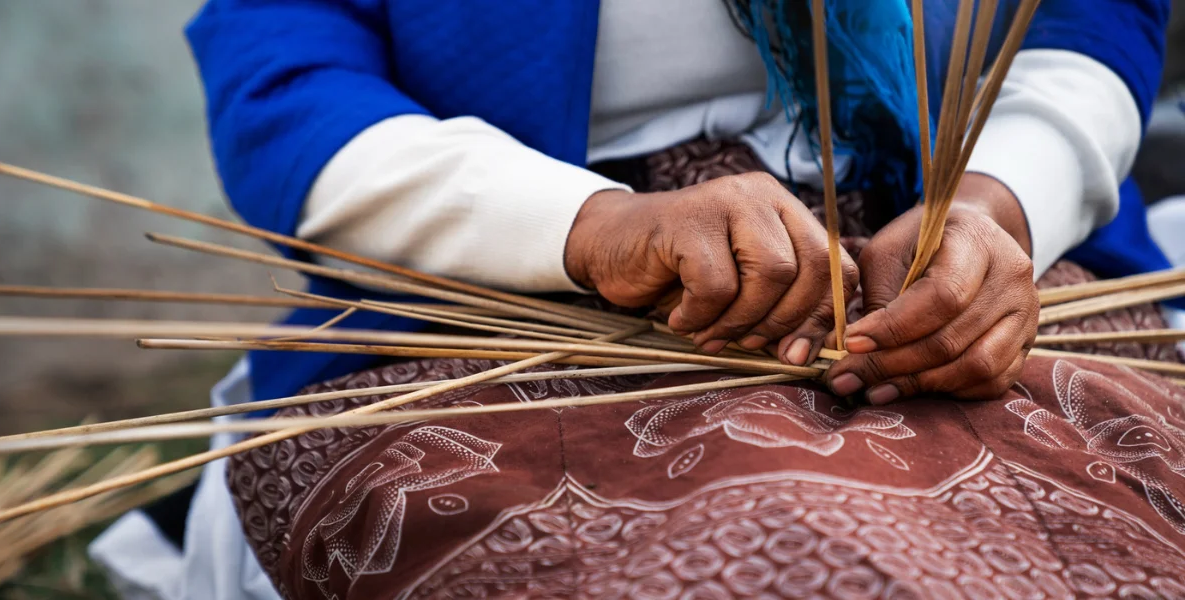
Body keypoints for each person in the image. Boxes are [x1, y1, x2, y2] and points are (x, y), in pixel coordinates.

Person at [88, 1, 1174, 598]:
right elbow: (287, 87)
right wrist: (596, 229)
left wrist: (1001, 204)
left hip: (933, 226)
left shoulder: (985, 220)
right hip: (511, 282)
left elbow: (1093, 16)